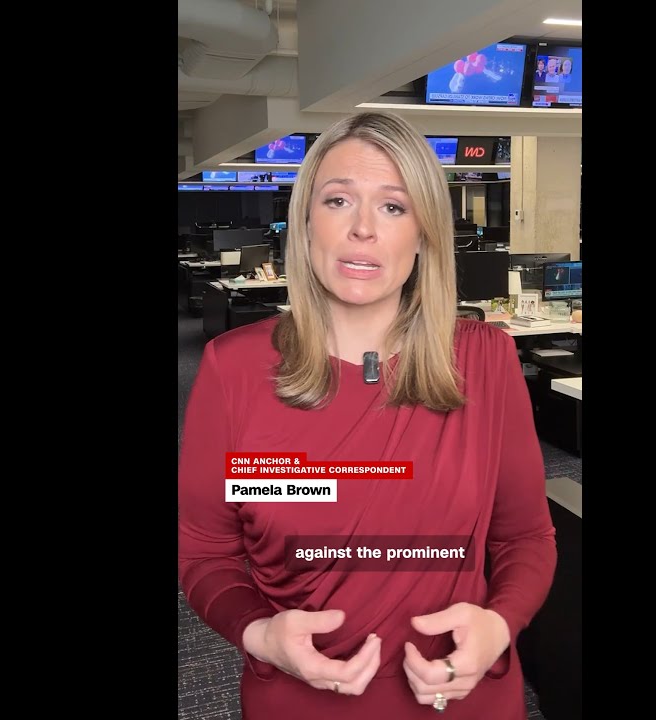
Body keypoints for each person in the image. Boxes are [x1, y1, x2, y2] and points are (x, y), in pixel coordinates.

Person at [178, 111, 557, 719]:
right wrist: (259, 634)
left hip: (462, 697)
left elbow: (525, 537)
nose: (362, 229)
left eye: (393, 207)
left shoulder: (485, 360)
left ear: (424, 234)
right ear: (306, 224)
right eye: (338, 200)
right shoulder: (235, 370)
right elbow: (206, 552)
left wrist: (499, 623)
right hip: (298, 702)